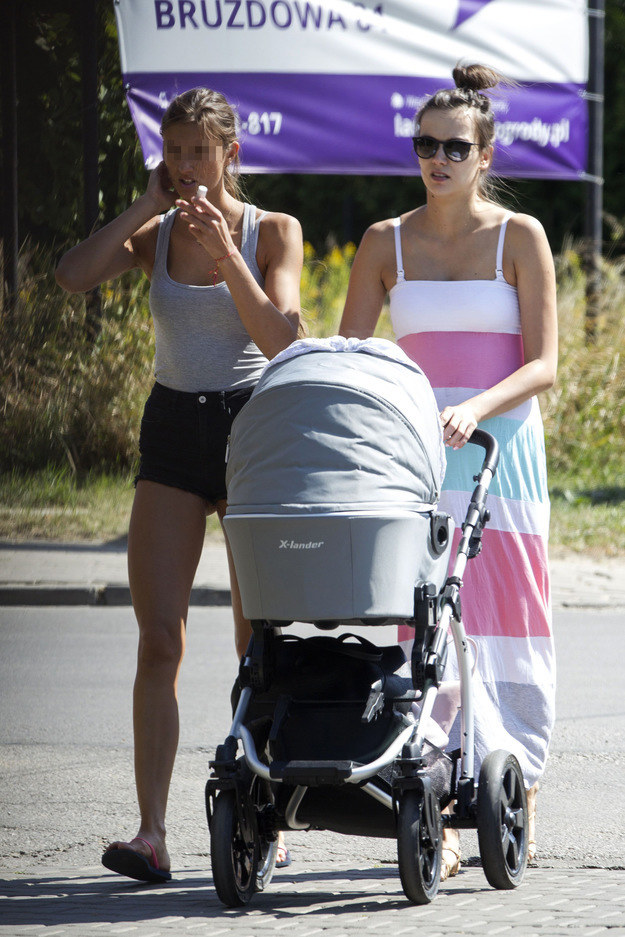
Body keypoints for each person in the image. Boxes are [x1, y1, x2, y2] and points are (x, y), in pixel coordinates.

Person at [55, 87, 303, 881]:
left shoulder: (273, 231)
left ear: (230, 152)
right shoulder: (156, 230)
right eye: (174, 149)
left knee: (253, 639)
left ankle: (264, 810)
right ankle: (152, 832)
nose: (186, 164)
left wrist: (229, 255)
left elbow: (282, 339)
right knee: (159, 637)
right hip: (170, 430)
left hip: (248, 430)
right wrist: (142, 205)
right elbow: (71, 276)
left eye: (200, 150)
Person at [339, 63, 557, 879]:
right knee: (422, 627)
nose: (437, 158)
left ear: (483, 149)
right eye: (425, 144)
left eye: (453, 146)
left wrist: (473, 407)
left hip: (500, 454)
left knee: (505, 621)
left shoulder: (518, 236)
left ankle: (516, 786)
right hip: (415, 458)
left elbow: (543, 365)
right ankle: (435, 796)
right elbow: (352, 357)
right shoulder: (382, 242)